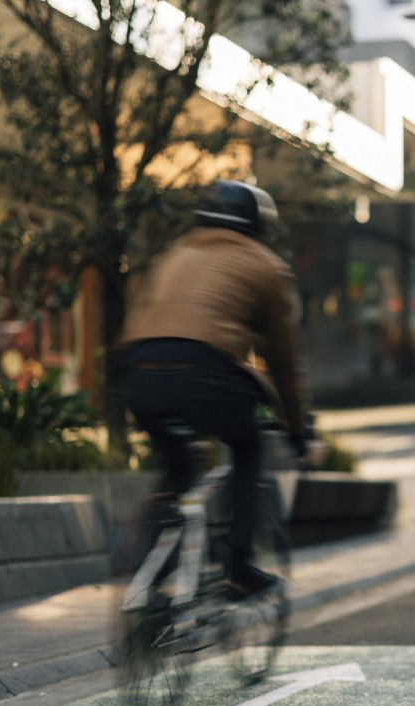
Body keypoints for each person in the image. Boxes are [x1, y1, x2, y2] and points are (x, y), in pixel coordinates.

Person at [119, 180, 308, 600]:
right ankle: (237, 568)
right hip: (206, 373)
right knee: (247, 446)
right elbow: (283, 358)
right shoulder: (265, 265)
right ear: (257, 225)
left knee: (179, 473)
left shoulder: (176, 253)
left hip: (140, 373)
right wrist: (296, 428)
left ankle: (151, 583)